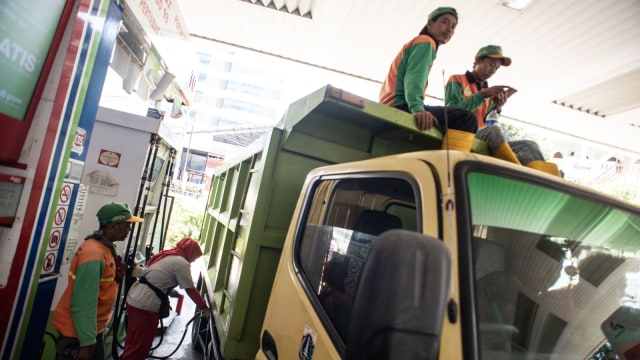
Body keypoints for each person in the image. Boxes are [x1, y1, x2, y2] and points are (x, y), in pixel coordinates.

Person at [445, 45, 561, 176]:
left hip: (483, 136)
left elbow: (487, 121)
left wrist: (497, 108)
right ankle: (515, 173)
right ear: (477, 60)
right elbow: (452, 112)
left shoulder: (488, 92)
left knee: (529, 145)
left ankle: (546, 178)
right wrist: (481, 95)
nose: (493, 70)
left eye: (496, 68)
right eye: (491, 64)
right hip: (463, 135)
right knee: (493, 131)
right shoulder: (457, 79)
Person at [380, 7, 478, 152]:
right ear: (430, 24)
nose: (449, 29)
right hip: (401, 105)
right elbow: (414, 79)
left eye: (453, 26)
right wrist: (418, 109)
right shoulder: (425, 42)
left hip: (395, 104)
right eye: (445, 22)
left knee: (446, 127)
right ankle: (451, 166)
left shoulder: (420, 43)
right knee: (467, 119)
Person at [53, 202, 143, 360]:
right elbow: (83, 301)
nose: (129, 230)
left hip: (90, 330)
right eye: (126, 225)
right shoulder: (93, 253)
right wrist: (86, 344)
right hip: (78, 334)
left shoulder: (104, 248)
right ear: (113, 226)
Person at [121, 237, 212, 359]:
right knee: (140, 348)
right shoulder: (181, 263)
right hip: (145, 306)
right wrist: (204, 308)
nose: (193, 260)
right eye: (194, 257)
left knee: (132, 343)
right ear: (190, 252)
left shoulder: (169, 256)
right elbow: (190, 290)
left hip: (135, 299)